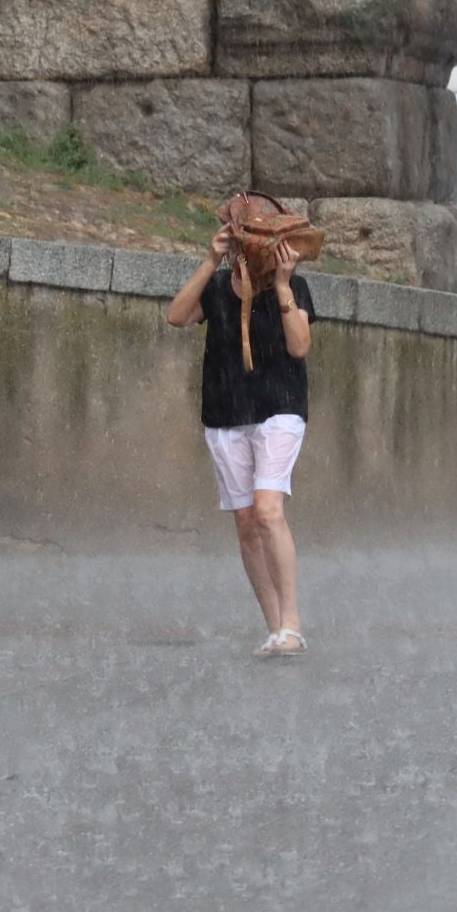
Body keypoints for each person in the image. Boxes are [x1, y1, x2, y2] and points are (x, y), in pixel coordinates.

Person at [165, 222, 315, 659]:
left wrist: (283, 285)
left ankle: (293, 623)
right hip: (226, 413)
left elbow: (300, 347)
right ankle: (274, 629)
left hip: (280, 409)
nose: (245, 250)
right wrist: (210, 259)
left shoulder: (296, 287)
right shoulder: (217, 285)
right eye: (238, 241)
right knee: (247, 522)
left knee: (268, 510)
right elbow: (177, 316)